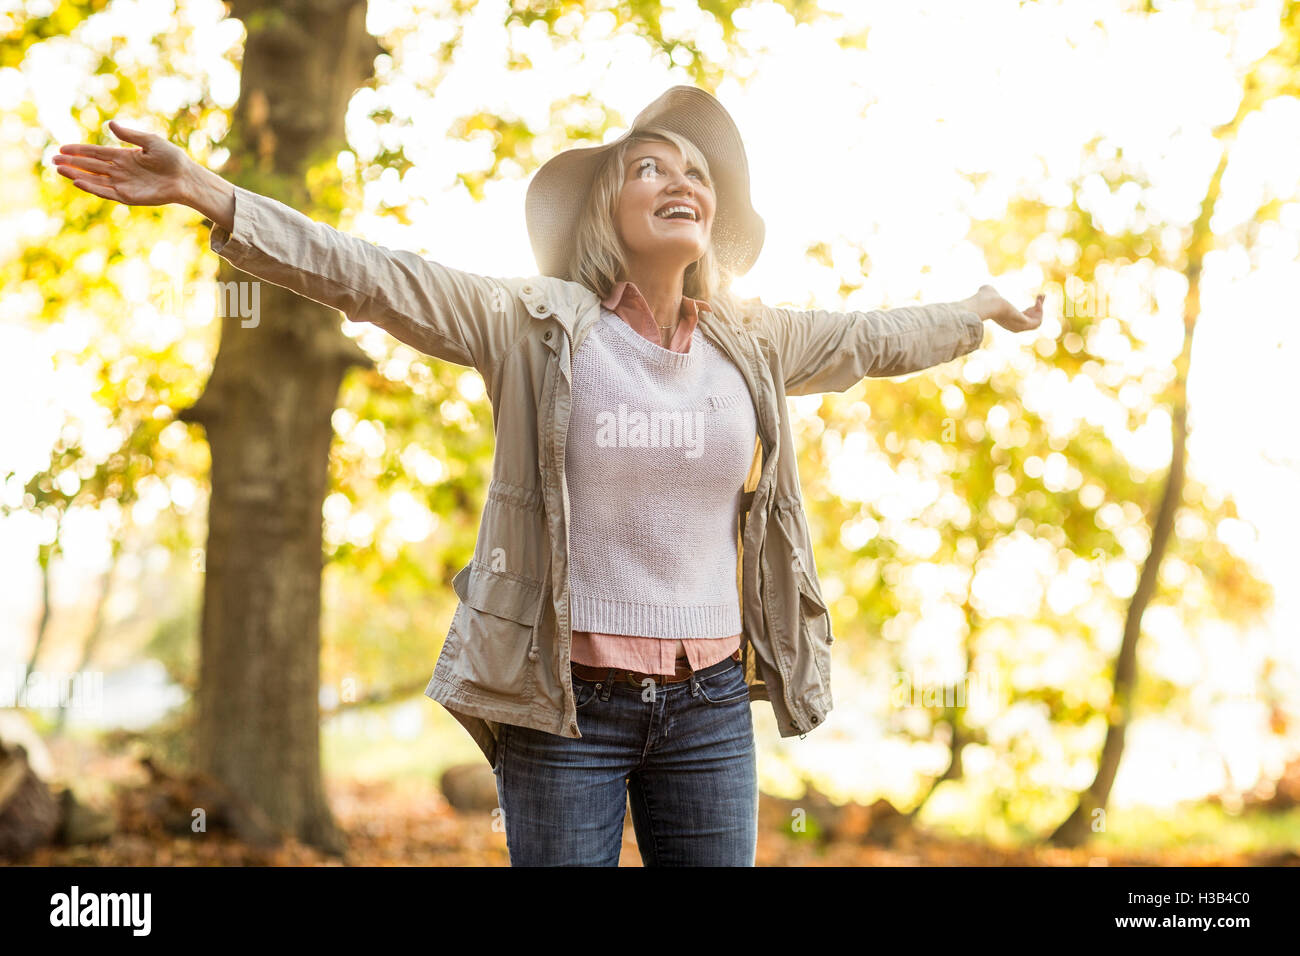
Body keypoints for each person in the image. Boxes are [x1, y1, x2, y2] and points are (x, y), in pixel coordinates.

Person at [53, 86, 1043, 866]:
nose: (680, 179)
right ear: (607, 206)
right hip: (565, 703)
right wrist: (209, 192)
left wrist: (981, 306)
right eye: (649, 166)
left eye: (696, 171)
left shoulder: (751, 340)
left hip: (707, 707)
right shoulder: (531, 325)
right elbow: (368, 272)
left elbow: (875, 336)